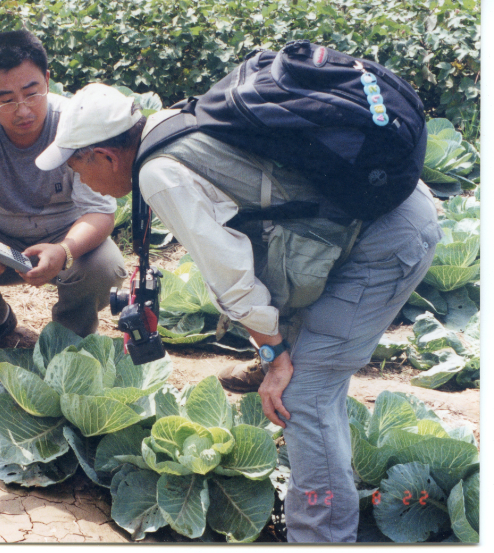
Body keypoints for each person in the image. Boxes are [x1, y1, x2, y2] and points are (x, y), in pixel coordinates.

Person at [35, 83, 442, 542]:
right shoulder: (168, 123)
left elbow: (232, 279)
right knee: (311, 380)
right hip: (379, 214)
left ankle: (321, 536)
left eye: (77, 165)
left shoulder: (158, 173)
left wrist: (274, 357)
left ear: (107, 157)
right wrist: (275, 343)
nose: (79, 179)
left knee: (302, 397)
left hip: (385, 240)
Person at [0, 32, 128, 368]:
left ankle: (67, 344)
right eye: (5, 99)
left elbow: (99, 213)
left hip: (67, 233)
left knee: (106, 265)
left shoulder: (74, 125)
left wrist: (64, 251)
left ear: (47, 79)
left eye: (32, 93)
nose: (22, 110)